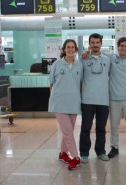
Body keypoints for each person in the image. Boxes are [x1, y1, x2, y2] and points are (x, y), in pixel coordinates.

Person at [48, 39, 83, 170]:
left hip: (74, 103)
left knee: (68, 130)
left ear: (76, 50)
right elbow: (51, 83)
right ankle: (75, 157)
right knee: (68, 131)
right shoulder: (57, 64)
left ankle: (63, 153)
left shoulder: (79, 65)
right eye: (68, 47)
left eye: (73, 47)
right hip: (59, 103)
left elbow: (80, 84)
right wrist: (54, 99)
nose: (70, 49)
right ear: (64, 49)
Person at [79, 33, 111, 163]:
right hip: (87, 99)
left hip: (103, 99)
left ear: (101, 44)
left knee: (101, 128)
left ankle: (101, 151)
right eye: (93, 43)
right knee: (86, 128)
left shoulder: (107, 59)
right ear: (89, 44)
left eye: (97, 42)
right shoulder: (83, 59)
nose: (95, 45)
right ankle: (84, 153)